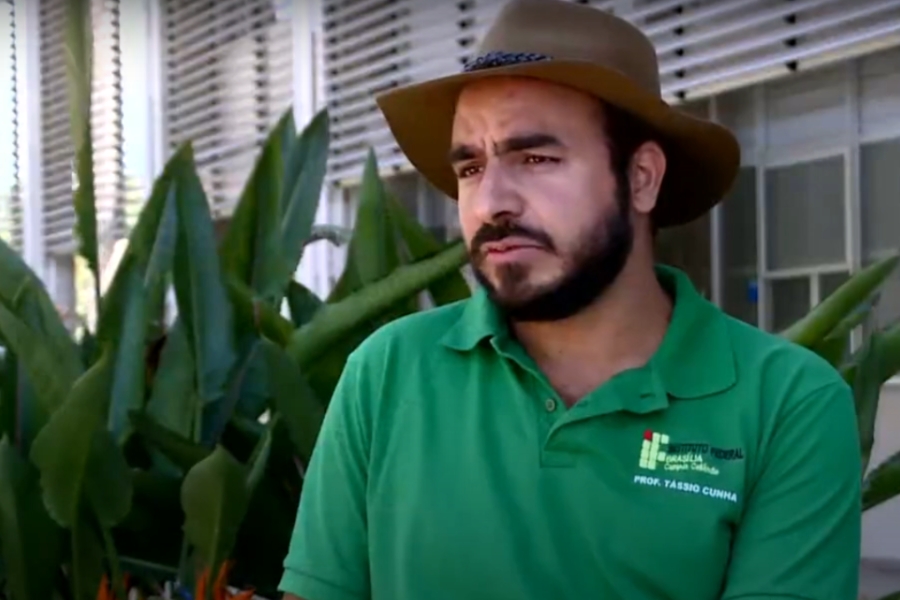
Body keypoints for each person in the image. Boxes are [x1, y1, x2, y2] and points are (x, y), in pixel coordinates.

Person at [279, 0, 862, 598]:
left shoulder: (787, 403)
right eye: (471, 168)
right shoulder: (387, 373)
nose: (491, 203)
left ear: (641, 178)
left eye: (535, 158)